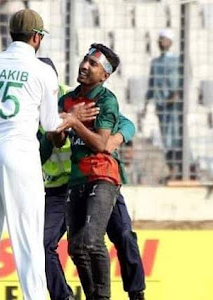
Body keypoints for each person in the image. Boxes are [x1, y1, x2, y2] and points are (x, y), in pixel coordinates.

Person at [0, 9, 71, 300]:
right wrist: (71, 117)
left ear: (11, 34)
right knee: (27, 235)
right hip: (19, 153)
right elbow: (50, 124)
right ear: (37, 37)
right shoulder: (42, 70)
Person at [38, 58, 145, 300]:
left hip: (99, 175)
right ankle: (66, 297)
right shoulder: (27, 108)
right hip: (62, 186)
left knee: (123, 236)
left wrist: (115, 140)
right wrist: (58, 126)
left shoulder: (68, 95)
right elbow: (44, 150)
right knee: (51, 246)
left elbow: (124, 122)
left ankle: (136, 292)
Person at [55, 43, 125, 300]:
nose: (84, 66)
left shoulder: (107, 100)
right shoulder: (68, 99)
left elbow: (102, 144)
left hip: (103, 176)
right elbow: (56, 141)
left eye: (93, 64)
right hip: (77, 178)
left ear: (104, 75)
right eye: (85, 60)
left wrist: (73, 121)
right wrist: (61, 123)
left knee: (92, 241)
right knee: (75, 248)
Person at [142, 29, 181, 179]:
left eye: (163, 39)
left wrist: (177, 94)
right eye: (159, 39)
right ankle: (172, 169)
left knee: (176, 137)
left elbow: (184, 80)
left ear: (170, 42)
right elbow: (151, 85)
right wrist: (146, 104)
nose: (160, 42)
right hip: (162, 107)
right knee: (167, 139)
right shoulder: (155, 63)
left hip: (175, 108)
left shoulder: (178, 60)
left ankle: (178, 169)